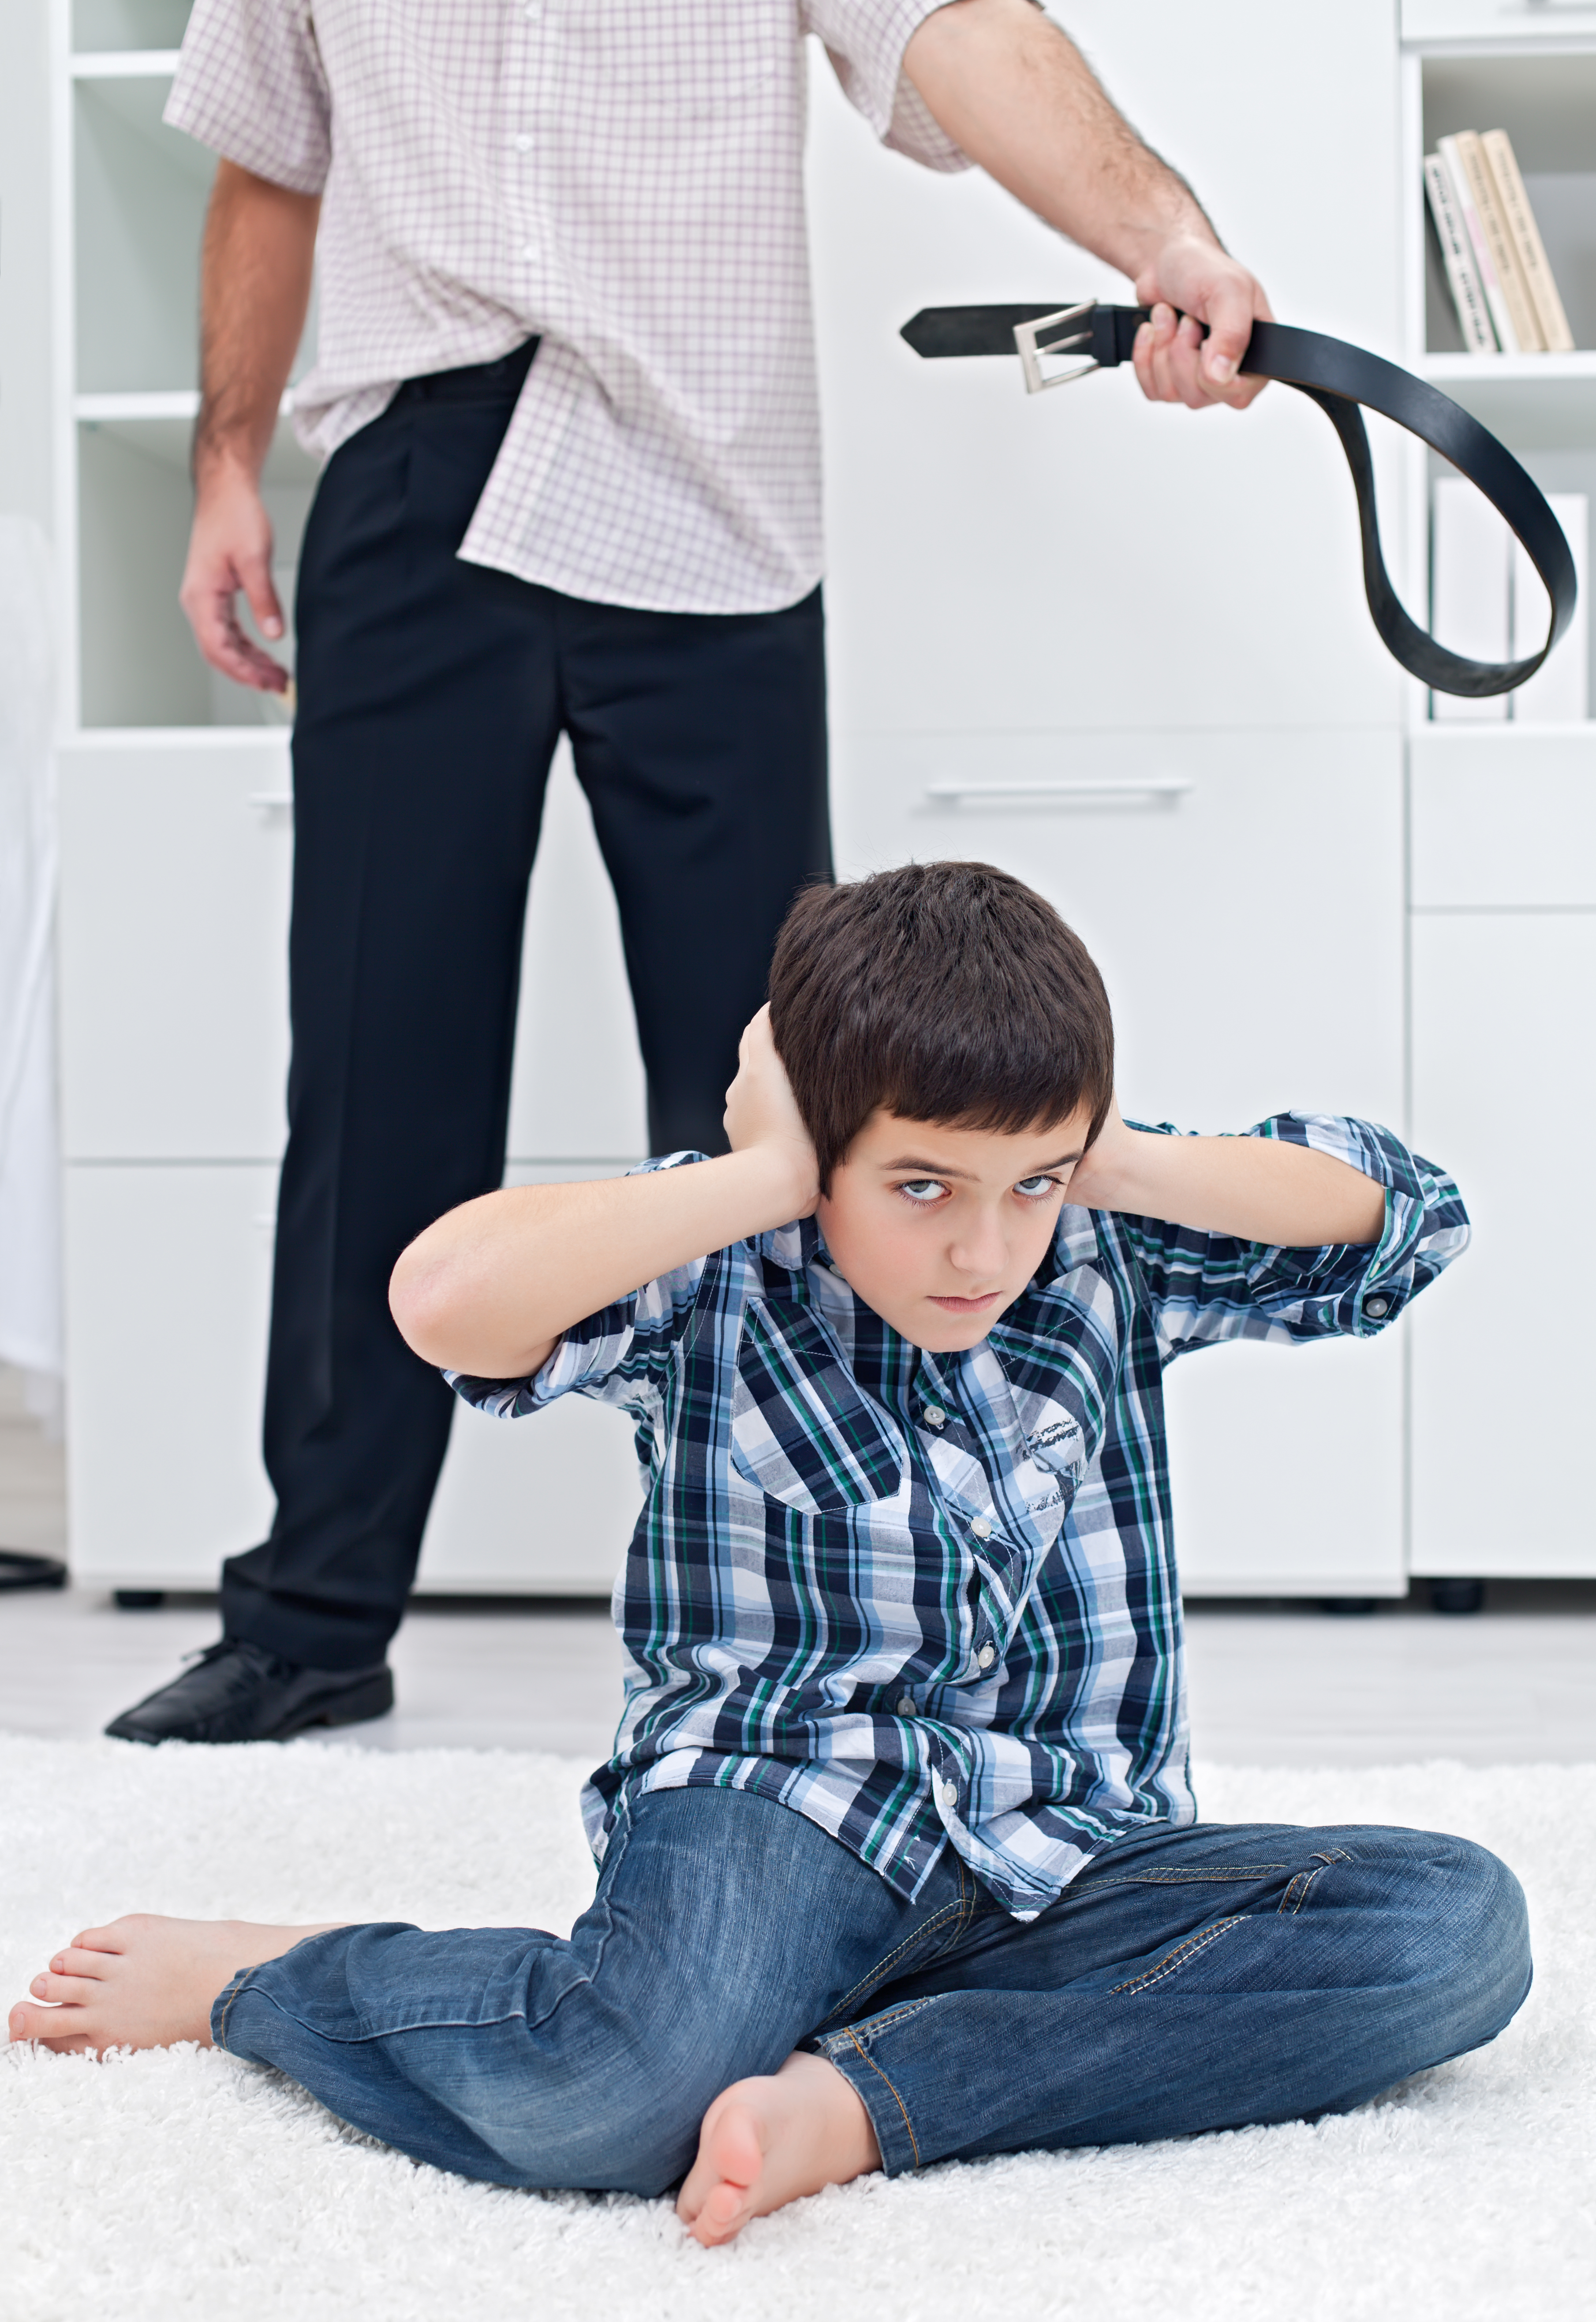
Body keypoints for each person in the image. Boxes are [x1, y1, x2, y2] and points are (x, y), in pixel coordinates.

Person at [106, 0, 1274, 1746]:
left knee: (786, 1101)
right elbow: (272, 153)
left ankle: (844, 1602)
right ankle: (314, 1614)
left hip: (708, 505)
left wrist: (1159, 241)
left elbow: (956, 26)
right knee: (374, 1069)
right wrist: (226, 469)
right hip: (420, 485)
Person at [19, 864, 1529, 2246]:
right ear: (822, 1147)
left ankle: (871, 2095)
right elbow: (441, 1299)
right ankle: (261, 1979)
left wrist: (1108, 1158)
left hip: (1068, 1846)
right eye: (920, 1186)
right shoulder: (722, 1262)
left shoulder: (1101, 1243)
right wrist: (764, 1170)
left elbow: (1405, 1219)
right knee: (604, 2098)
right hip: (783, 1810)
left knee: (1453, 1934)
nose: (980, 1253)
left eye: (1029, 1187)